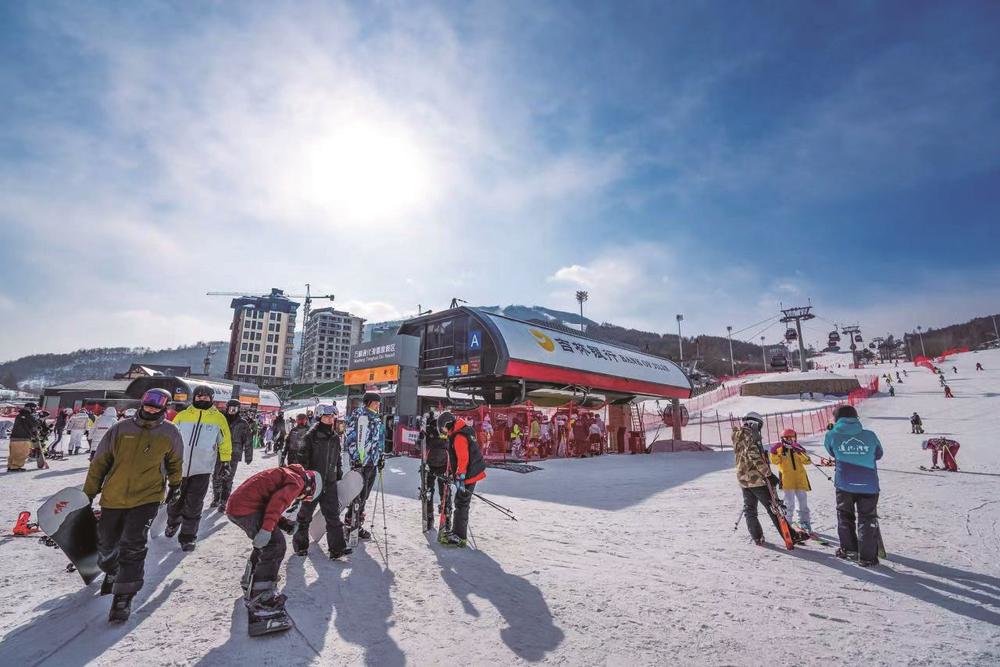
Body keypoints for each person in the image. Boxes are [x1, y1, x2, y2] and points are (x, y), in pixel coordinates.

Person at [83, 388, 183, 623]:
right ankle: (112, 567)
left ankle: (123, 598)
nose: (150, 409)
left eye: (156, 407)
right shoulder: (121, 428)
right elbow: (100, 462)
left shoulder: (170, 432)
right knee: (107, 542)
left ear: (164, 408)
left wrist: (176, 486)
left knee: (133, 544)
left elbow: (175, 462)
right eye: (148, 405)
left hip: (147, 497)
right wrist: (89, 492)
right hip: (114, 495)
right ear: (142, 403)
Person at [225, 464, 320, 634]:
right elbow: (277, 503)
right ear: (309, 487)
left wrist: (283, 523)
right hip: (245, 508)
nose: (300, 499)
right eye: (304, 497)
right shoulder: (297, 482)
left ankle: (252, 580)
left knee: (269, 543)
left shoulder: (290, 474)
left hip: (240, 504)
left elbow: (269, 502)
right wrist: (267, 529)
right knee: (275, 545)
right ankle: (261, 600)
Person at [167, 385, 232, 551]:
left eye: (206, 396)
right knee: (175, 500)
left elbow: (224, 441)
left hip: (202, 469)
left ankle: (188, 537)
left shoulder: (218, 418)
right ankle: (173, 521)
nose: (202, 398)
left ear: (211, 398)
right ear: (194, 397)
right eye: (199, 396)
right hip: (179, 467)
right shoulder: (182, 416)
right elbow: (170, 438)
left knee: (194, 504)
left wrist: (225, 461)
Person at [823, 405, 883, 566]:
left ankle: (849, 550)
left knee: (845, 516)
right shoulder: (870, 435)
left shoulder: (832, 435)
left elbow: (831, 451)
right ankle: (868, 557)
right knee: (867, 518)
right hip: (869, 484)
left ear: (837, 419)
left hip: (845, 484)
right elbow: (879, 454)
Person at [292, 404, 351, 559]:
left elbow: (337, 458)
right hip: (313, 483)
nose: (330, 419)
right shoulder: (310, 436)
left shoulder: (335, 437)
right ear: (319, 417)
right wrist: (305, 479)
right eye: (327, 416)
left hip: (329, 483)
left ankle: (337, 549)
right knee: (305, 515)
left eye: (332, 416)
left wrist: (338, 474)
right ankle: (300, 545)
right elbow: (301, 459)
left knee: (333, 515)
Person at [731, 412, 790, 546]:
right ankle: (789, 535)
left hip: (743, 479)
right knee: (773, 507)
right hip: (756, 478)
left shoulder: (737, 435)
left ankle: (757, 537)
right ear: (754, 424)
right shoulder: (750, 434)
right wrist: (769, 474)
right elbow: (754, 456)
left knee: (750, 509)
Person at [436, 411, 487, 548]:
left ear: (447, 424)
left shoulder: (459, 436)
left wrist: (460, 476)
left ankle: (459, 536)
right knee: (462, 502)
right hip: (472, 471)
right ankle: (458, 533)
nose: (444, 432)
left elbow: (463, 459)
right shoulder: (464, 430)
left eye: (443, 429)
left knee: (461, 503)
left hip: (469, 474)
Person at [343, 392, 386, 540]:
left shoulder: (377, 419)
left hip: (372, 462)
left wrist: (380, 456)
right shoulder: (358, 415)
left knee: (364, 496)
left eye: (378, 403)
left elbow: (380, 440)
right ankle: (350, 524)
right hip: (360, 462)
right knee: (357, 495)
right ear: (368, 402)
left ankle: (357, 523)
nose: (378, 405)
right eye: (375, 402)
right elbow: (350, 437)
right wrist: (356, 457)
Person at [212, 399, 252, 510]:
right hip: (219, 452)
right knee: (216, 476)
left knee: (228, 478)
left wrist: (248, 455)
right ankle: (216, 498)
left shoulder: (242, 423)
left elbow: (248, 439)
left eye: (235, 409)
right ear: (227, 408)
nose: (232, 411)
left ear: (239, 410)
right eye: (230, 408)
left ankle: (223, 501)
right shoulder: (220, 419)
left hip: (234, 453)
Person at [769, 429, 812, 532]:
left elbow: (807, 461)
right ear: (783, 439)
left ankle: (804, 522)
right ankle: (788, 524)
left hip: (800, 480)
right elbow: (775, 461)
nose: (789, 440)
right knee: (789, 503)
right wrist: (773, 452)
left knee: (802, 503)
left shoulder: (797, 448)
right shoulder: (780, 449)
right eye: (787, 438)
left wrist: (800, 452)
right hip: (787, 480)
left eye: (792, 438)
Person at [421, 410, 452, 534]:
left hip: (444, 465)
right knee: (428, 492)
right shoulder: (430, 429)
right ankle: (429, 517)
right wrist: (421, 437)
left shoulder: (450, 430)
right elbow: (420, 445)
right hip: (430, 465)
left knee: (444, 493)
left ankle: (446, 518)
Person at [7, 403, 41, 472]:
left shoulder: (19, 415)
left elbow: (27, 425)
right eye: (34, 408)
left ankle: (11, 466)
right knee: (22, 453)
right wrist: (39, 419)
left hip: (14, 438)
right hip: (23, 438)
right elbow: (35, 423)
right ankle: (15, 467)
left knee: (14, 454)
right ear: (29, 408)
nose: (34, 410)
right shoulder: (27, 415)